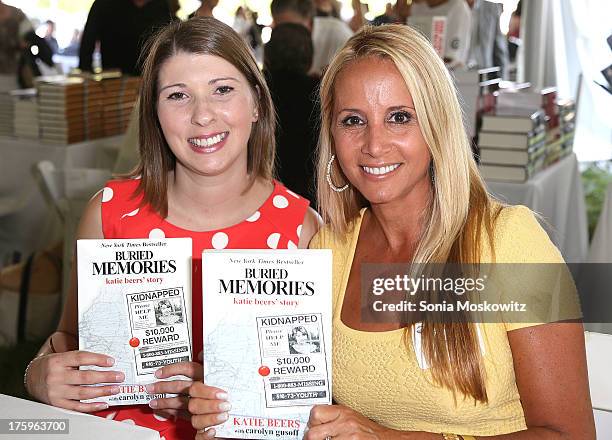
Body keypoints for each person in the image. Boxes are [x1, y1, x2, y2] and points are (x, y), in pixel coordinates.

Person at [182, 24, 597, 438]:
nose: (374, 145)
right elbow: (301, 400)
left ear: (437, 126)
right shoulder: (328, 249)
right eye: (353, 121)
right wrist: (230, 394)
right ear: (332, 135)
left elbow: (571, 434)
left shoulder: (509, 241)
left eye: (399, 118)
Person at [24, 17, 319, 440]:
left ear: (256, 102)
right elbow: (68, 337)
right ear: (155, 114)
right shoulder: (109, 215)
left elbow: (305, 389)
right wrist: (38, 376)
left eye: (222, 90)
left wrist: (227, 387)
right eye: (178, 95)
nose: (202, 115)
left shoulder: (301, 231)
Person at [264, 23, 319, 203]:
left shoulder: (256, 90)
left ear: (268, 54)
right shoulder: (318, 92)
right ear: (309, 57)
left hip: (263, 185)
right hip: (308, 188)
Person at [78, 0, 176, 75]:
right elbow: (87, 44)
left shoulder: (161, 5)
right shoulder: (104, 4)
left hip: (150, 80)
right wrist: (87, 76)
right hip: (113, 83)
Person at [271, 0, 352, 77]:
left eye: (293, 27)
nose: (286, 34)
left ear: (308, 18)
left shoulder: (338, 33)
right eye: (279, 29)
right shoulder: (278, 43)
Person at [410, 0, 472, 67]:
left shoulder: (458, 7)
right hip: (417, 69)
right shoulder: (416, 7)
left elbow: (452, 58)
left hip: (446, 73)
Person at [465, 0, 509, 79]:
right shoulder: (451, 5)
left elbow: (499, 48)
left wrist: (503, 80)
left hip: (483, 74)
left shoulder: (491, 7)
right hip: (455, 73)